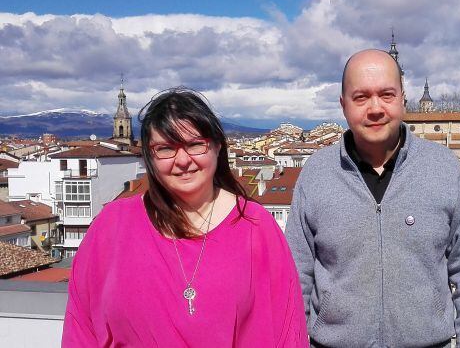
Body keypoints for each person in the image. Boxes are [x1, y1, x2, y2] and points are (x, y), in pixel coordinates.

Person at [62, 88, 308, 347]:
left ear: (216, 146)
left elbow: (287, 329)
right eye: (166, 148)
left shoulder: (255, 226)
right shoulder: (112, 226)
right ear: (149, 156)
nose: (182, 160)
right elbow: (81, 328)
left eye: (194, 145)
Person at [286, 49, 460, 347]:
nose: (375, 108)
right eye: (361, 97)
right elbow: (295, 276)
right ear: (343, 105)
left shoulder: (443, 168)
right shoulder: (316, 173)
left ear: (402, 99)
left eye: (386, 94)